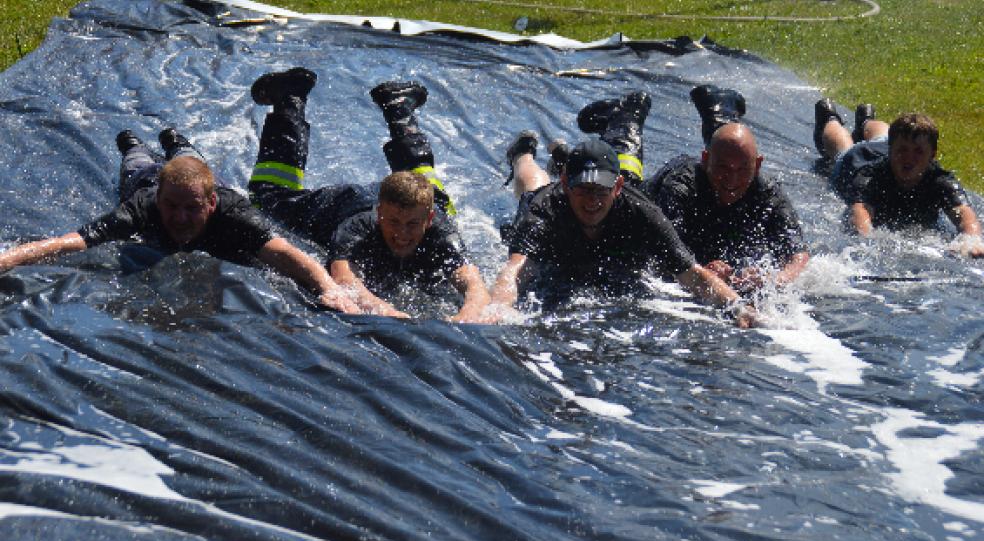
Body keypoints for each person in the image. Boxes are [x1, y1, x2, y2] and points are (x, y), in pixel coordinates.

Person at [0, 129, 360, 313]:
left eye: (192, 208)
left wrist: (328, 288)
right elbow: (72, 241)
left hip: (196, 176)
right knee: (136, 160)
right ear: (160, 200)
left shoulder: (231, 211)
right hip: (146, 176)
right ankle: (133, 144)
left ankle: (177, 141)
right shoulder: (143, 205)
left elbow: (285, 252)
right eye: (172, 206)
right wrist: (10, 259)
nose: (180, 217)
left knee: (188, 155)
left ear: (211, 203)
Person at [246, 68, 489, 322]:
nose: (402, 235)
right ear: (380, 214)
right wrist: (390, 313)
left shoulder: (441, 229)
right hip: (342, 204)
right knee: (267, 198)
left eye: (412, 224)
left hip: (419, 203)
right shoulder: (356, 228)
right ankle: (289, 97)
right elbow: (345, 280)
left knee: (439, 199)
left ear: (428, 220)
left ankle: (399, 106)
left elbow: (476, 289)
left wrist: (466, 317)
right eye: (393, 222)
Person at [490, 137, 757, 327]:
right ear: (566, 184)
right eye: (583, 189)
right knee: (532, 186)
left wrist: (737, 306)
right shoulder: (544, 210)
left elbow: (693, 274)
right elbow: (516, 270)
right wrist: (499, 309)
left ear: (618, 186)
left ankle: (562, 161)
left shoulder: (642, 213)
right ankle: (522, 155)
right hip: (548, 211)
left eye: (601, 190)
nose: (592, 201)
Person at [643, 86, 809, 293]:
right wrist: (702, 271)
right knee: (620, 181)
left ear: (757, 166)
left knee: (731, 148)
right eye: (723, 169)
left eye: (743, 170)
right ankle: (623, 122)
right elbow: (666, 253)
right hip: (647, 194)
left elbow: (798, 255)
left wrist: (774, 280)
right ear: (705, 161)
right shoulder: (679, 187)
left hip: (720, 161)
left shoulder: (767, 191)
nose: (732, 180)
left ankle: (720, 109)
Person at [814, 100, 984, 257]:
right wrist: (865, 240)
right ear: (892, 149)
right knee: (844, 148)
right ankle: (830, 119)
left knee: (882, 136)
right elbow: (860, 211)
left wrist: (971, 240)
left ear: (932, 155)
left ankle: (865, 121)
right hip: (859, 159)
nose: (909, 158)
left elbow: (964, 213)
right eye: (903, 150)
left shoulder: (940, 180)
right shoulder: (871, 176)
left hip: (886, 143)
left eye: (918, 151)